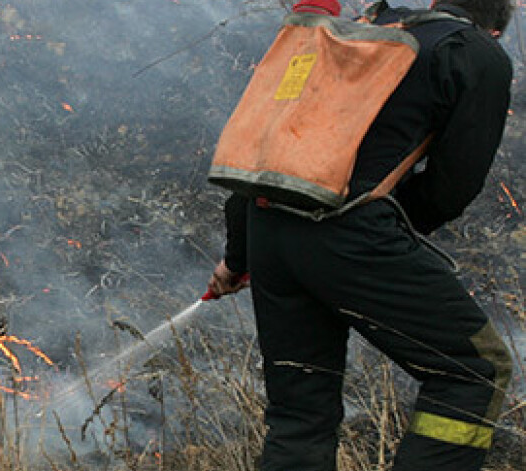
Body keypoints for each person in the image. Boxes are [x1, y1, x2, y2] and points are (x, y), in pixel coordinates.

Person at [206, 0, 515, 470]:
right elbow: (453, 187)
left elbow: (273, 152)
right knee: (475, 370)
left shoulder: (359, 32)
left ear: (434, 2)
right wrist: (376, 234)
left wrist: (238, 256)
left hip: (268, 228)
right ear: (495, 29)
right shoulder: (477, 54)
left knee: (299, 415)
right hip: (351, 237)